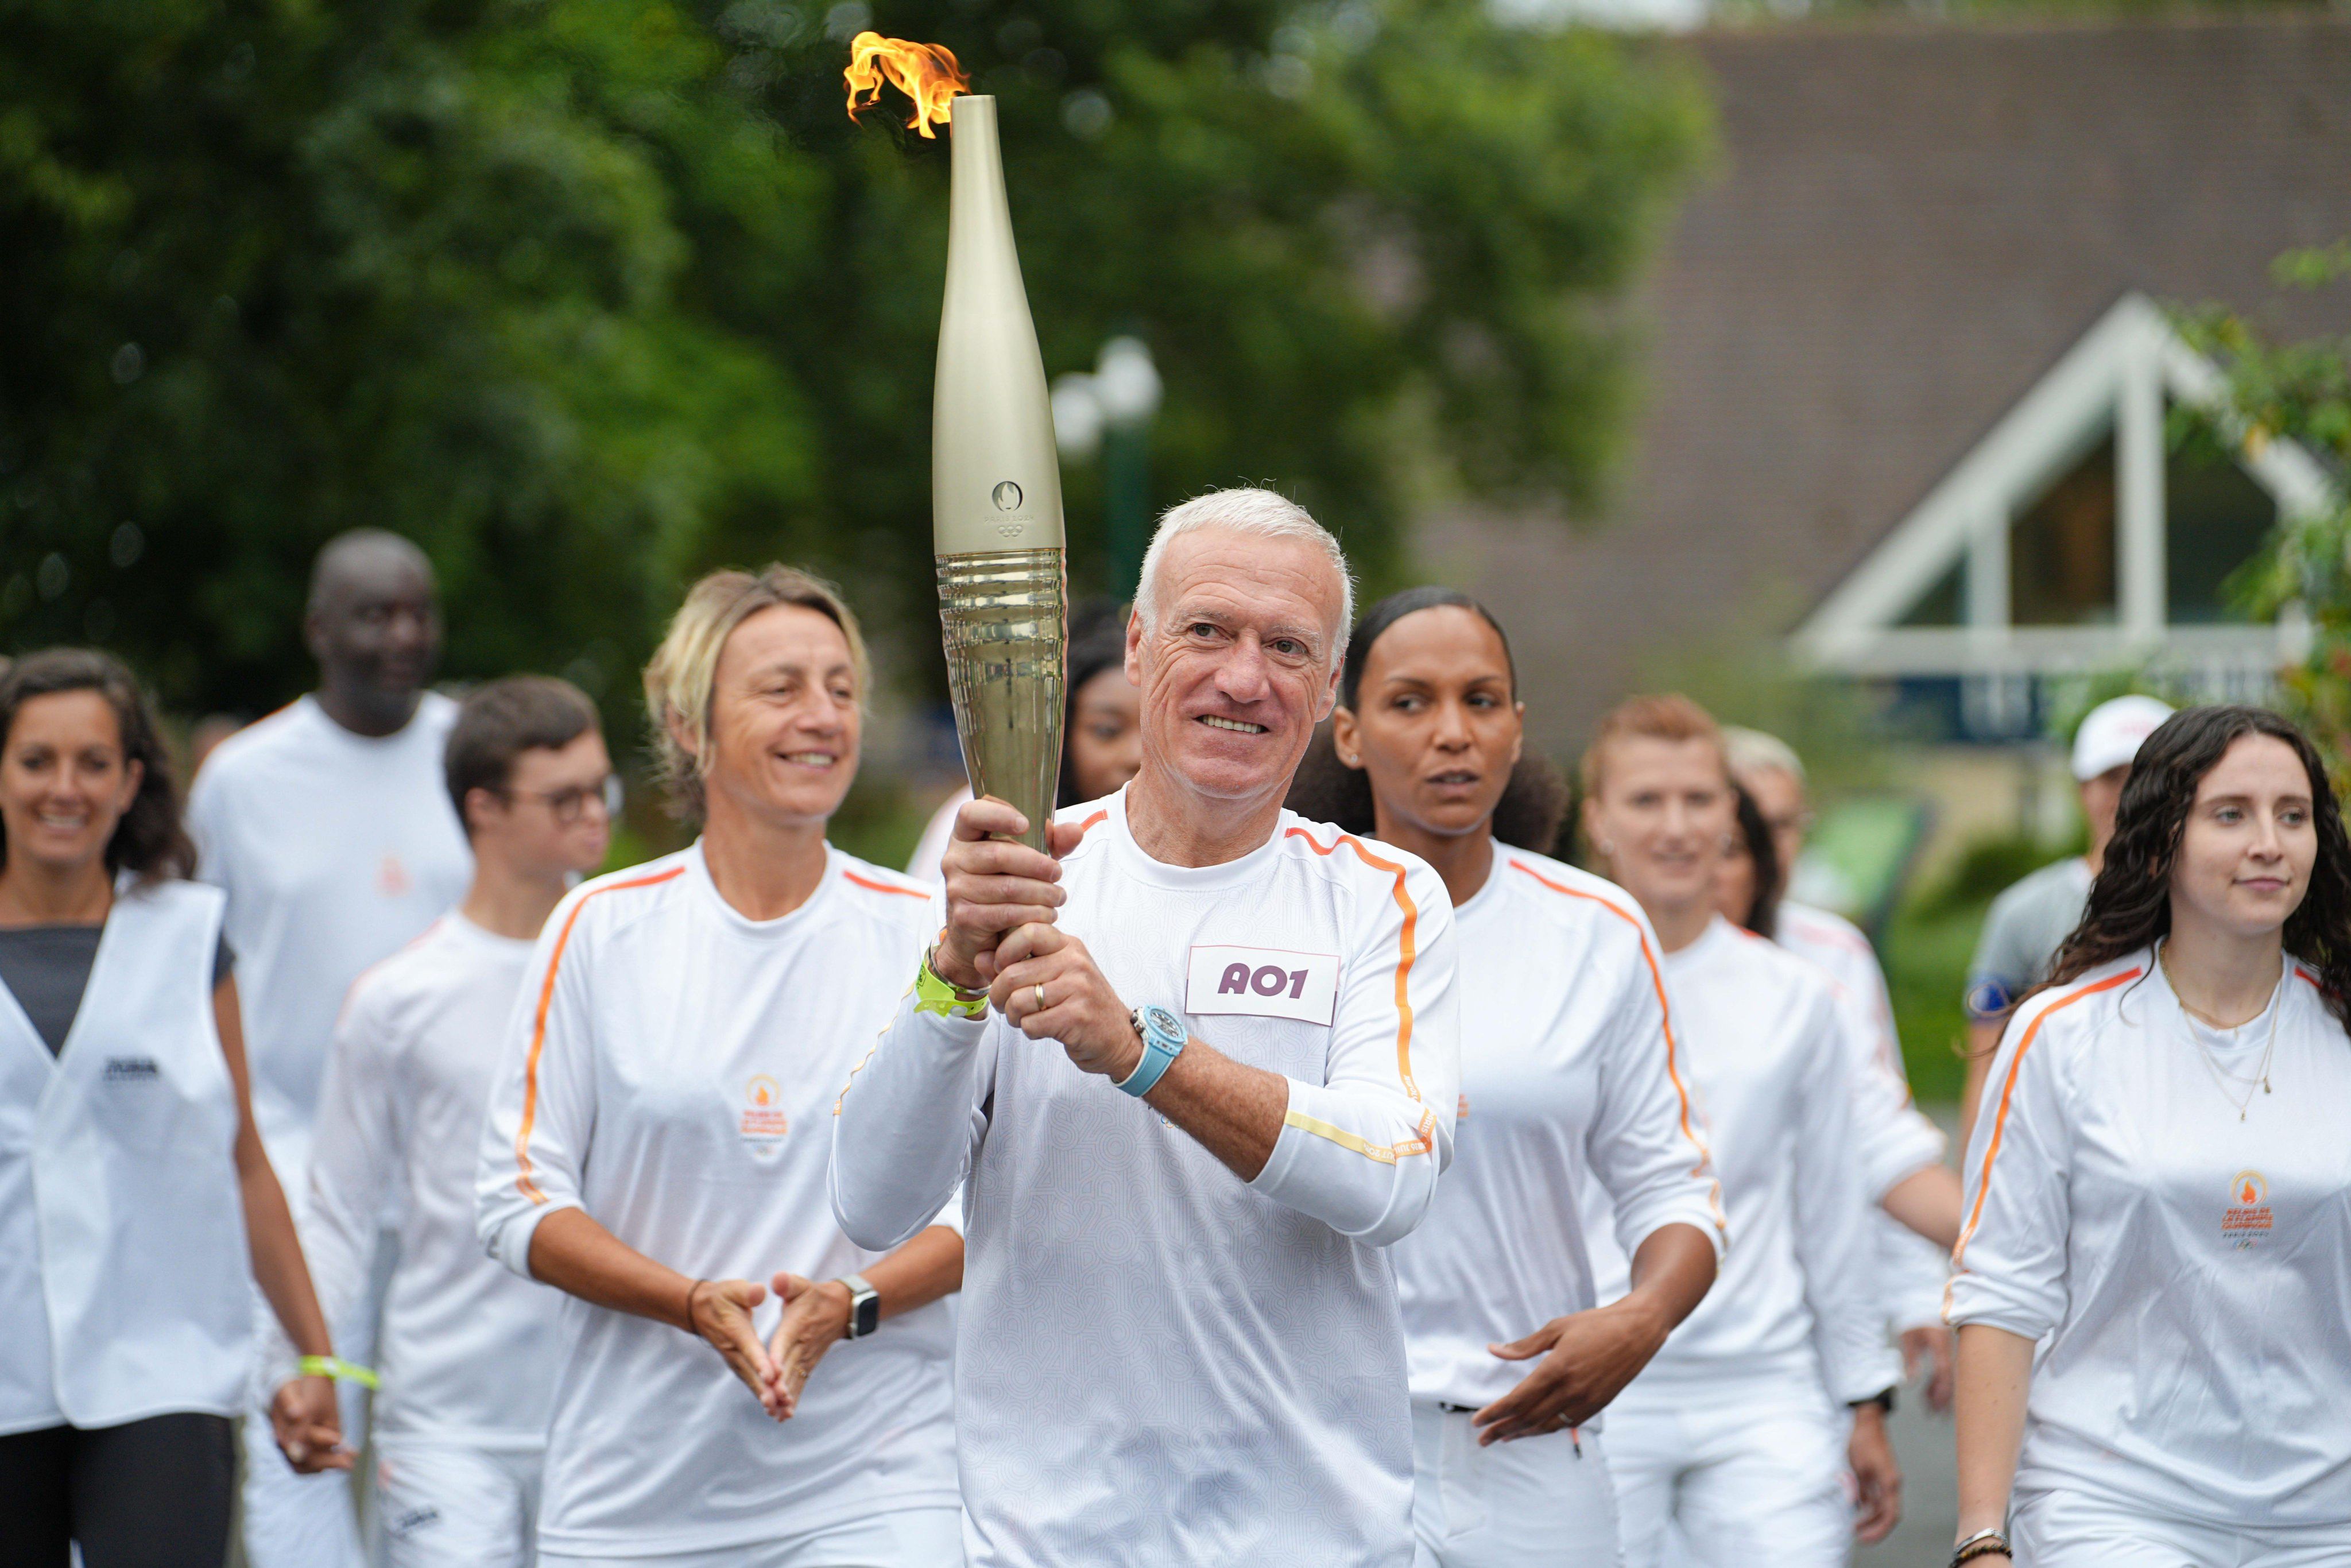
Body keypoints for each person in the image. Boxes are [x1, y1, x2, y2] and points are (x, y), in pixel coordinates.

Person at [832, 488, 1463, 1566]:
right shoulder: (1026, 872)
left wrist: (1139, 1052)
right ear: (1136, 643)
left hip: (1311, 1537)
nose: (1243, 677)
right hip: (1048, 1539)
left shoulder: (1383, 898)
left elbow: (1392, 1176)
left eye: (1288, 647)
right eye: (1207, 630)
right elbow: (872, 1202)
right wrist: (951, 974)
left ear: (1325, 694)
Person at [476, 567, 963, 1566]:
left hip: (878, 1479)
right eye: (780, 688)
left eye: (841, 687)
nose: (821, 716)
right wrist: (690, 1301)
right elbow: (518, 1198)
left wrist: (854, 1301)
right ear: (689, 727)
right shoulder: (600, 928)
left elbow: (993, 1201)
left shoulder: (928, 933)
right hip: (636, 1497)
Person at [1285, 587, 1722, 1568]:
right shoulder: (1286, 917)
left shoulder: (1598, 930)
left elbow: (1675, 1189)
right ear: (1348, 734)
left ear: (1518, 730)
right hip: (1316, 1441)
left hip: (1527, 1444)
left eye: (1482, 702)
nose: (1453, 734)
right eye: (1411, 703)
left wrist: (1641, 1321)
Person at [1950, 704, 2351, 1567]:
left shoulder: (2339, 1024)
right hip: (2114, 1500)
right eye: (2229, 813)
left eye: (2291, 815)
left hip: (2327, 1512)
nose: (2268, 843)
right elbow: (2000, 1287)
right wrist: (1982, 1535)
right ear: (2160, 835)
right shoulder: (2057, 1032)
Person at [0, 650, 348, 1567]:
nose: (63, 788)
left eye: (93, 762)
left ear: (132, 780)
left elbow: (245, 1162)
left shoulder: (188, 935)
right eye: (36, 760)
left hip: (164, 1366)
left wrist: (313, 1359)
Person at [270, 677, 614, 1567]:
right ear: (484, 809)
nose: (593, 816)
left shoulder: (634, 965)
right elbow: (339, 1209)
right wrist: (304, 1362)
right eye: (563, 796)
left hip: (612, 1414)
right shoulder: (398, 997)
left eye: (599, 788)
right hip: (446, 1421)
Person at [187, 528, 474, 1566]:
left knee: (441, 1461)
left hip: (458, 1179)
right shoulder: (244, 779)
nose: (402, 635)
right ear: (317, 630)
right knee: (305, 1446)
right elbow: (193, 963)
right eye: (373, 614)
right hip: (300, 1179)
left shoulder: (474, 754)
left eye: (418, 612)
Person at [1579, 695, 1902, 1567]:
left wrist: (1860, 1397)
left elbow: (1830, 1209)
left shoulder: (1797, 996)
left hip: (1765, 1391)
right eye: (1646, 801)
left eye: (1698, 799)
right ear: (1597, 818)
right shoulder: (1553, 984)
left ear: (1732, 814)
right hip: (1599, 1390)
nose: (1675, 826)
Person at [1727, 726, 1961, 1408]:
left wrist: (1918, 1291)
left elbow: (1880, 1128)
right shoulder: (1628, 951)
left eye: (1785, 824)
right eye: (1748, 827)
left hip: (1813, 1313)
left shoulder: (1832, 957)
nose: (1772, 847)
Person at [1959, 693, 2172, 1147]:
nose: (2129, 793)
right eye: (2112, 777)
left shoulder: (2211, 906)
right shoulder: (2021, 911)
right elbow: (1986, 1066)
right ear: (2081, 790)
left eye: (2146, 776)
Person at [905, 601, 1141, 882]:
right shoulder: (986, 813)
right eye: (1107, 731)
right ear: (1059, 731)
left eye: (1151, 731)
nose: (1136, 756)